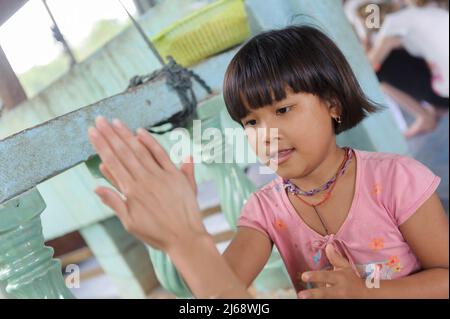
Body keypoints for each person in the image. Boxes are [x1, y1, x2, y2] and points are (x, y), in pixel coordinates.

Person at [88, 26, 449, 299]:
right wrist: (181, 233)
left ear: (333, 105)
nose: (266, 133)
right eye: (251, 122)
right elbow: (222, 296)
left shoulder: (396, 178)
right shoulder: (263, 211)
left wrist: (370, 292)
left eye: (283, 109)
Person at [368, 0, 449, 138]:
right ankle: (433, 108)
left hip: (444, 97)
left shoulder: (397, 21)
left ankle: (425, 115)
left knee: (381, 68)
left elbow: (370, 65)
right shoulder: (438, 9)